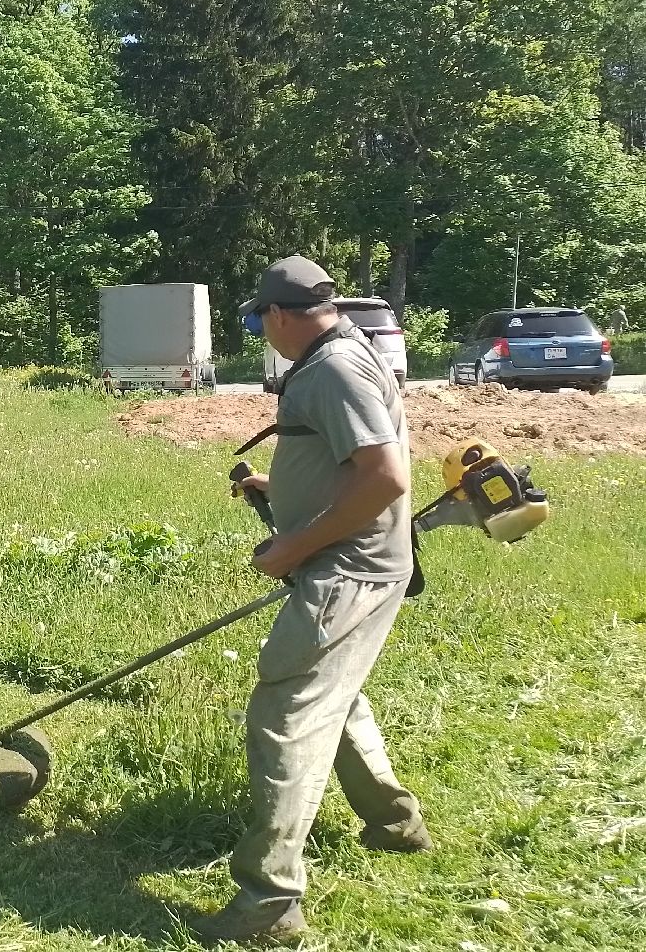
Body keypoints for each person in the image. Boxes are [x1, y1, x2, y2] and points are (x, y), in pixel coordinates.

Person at [190, 256, 429, 946]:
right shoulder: (349, 349)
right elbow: (348, 461)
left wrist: (293, 547)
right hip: (358, 562)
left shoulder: (332, 369)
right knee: (337, 697)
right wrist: (283, 486)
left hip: (346, 572)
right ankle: (395, 825)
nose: (263, 332)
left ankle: (268, 905)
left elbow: (385, 477)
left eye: (260, 321)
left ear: (282, 314)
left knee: (286, 711)